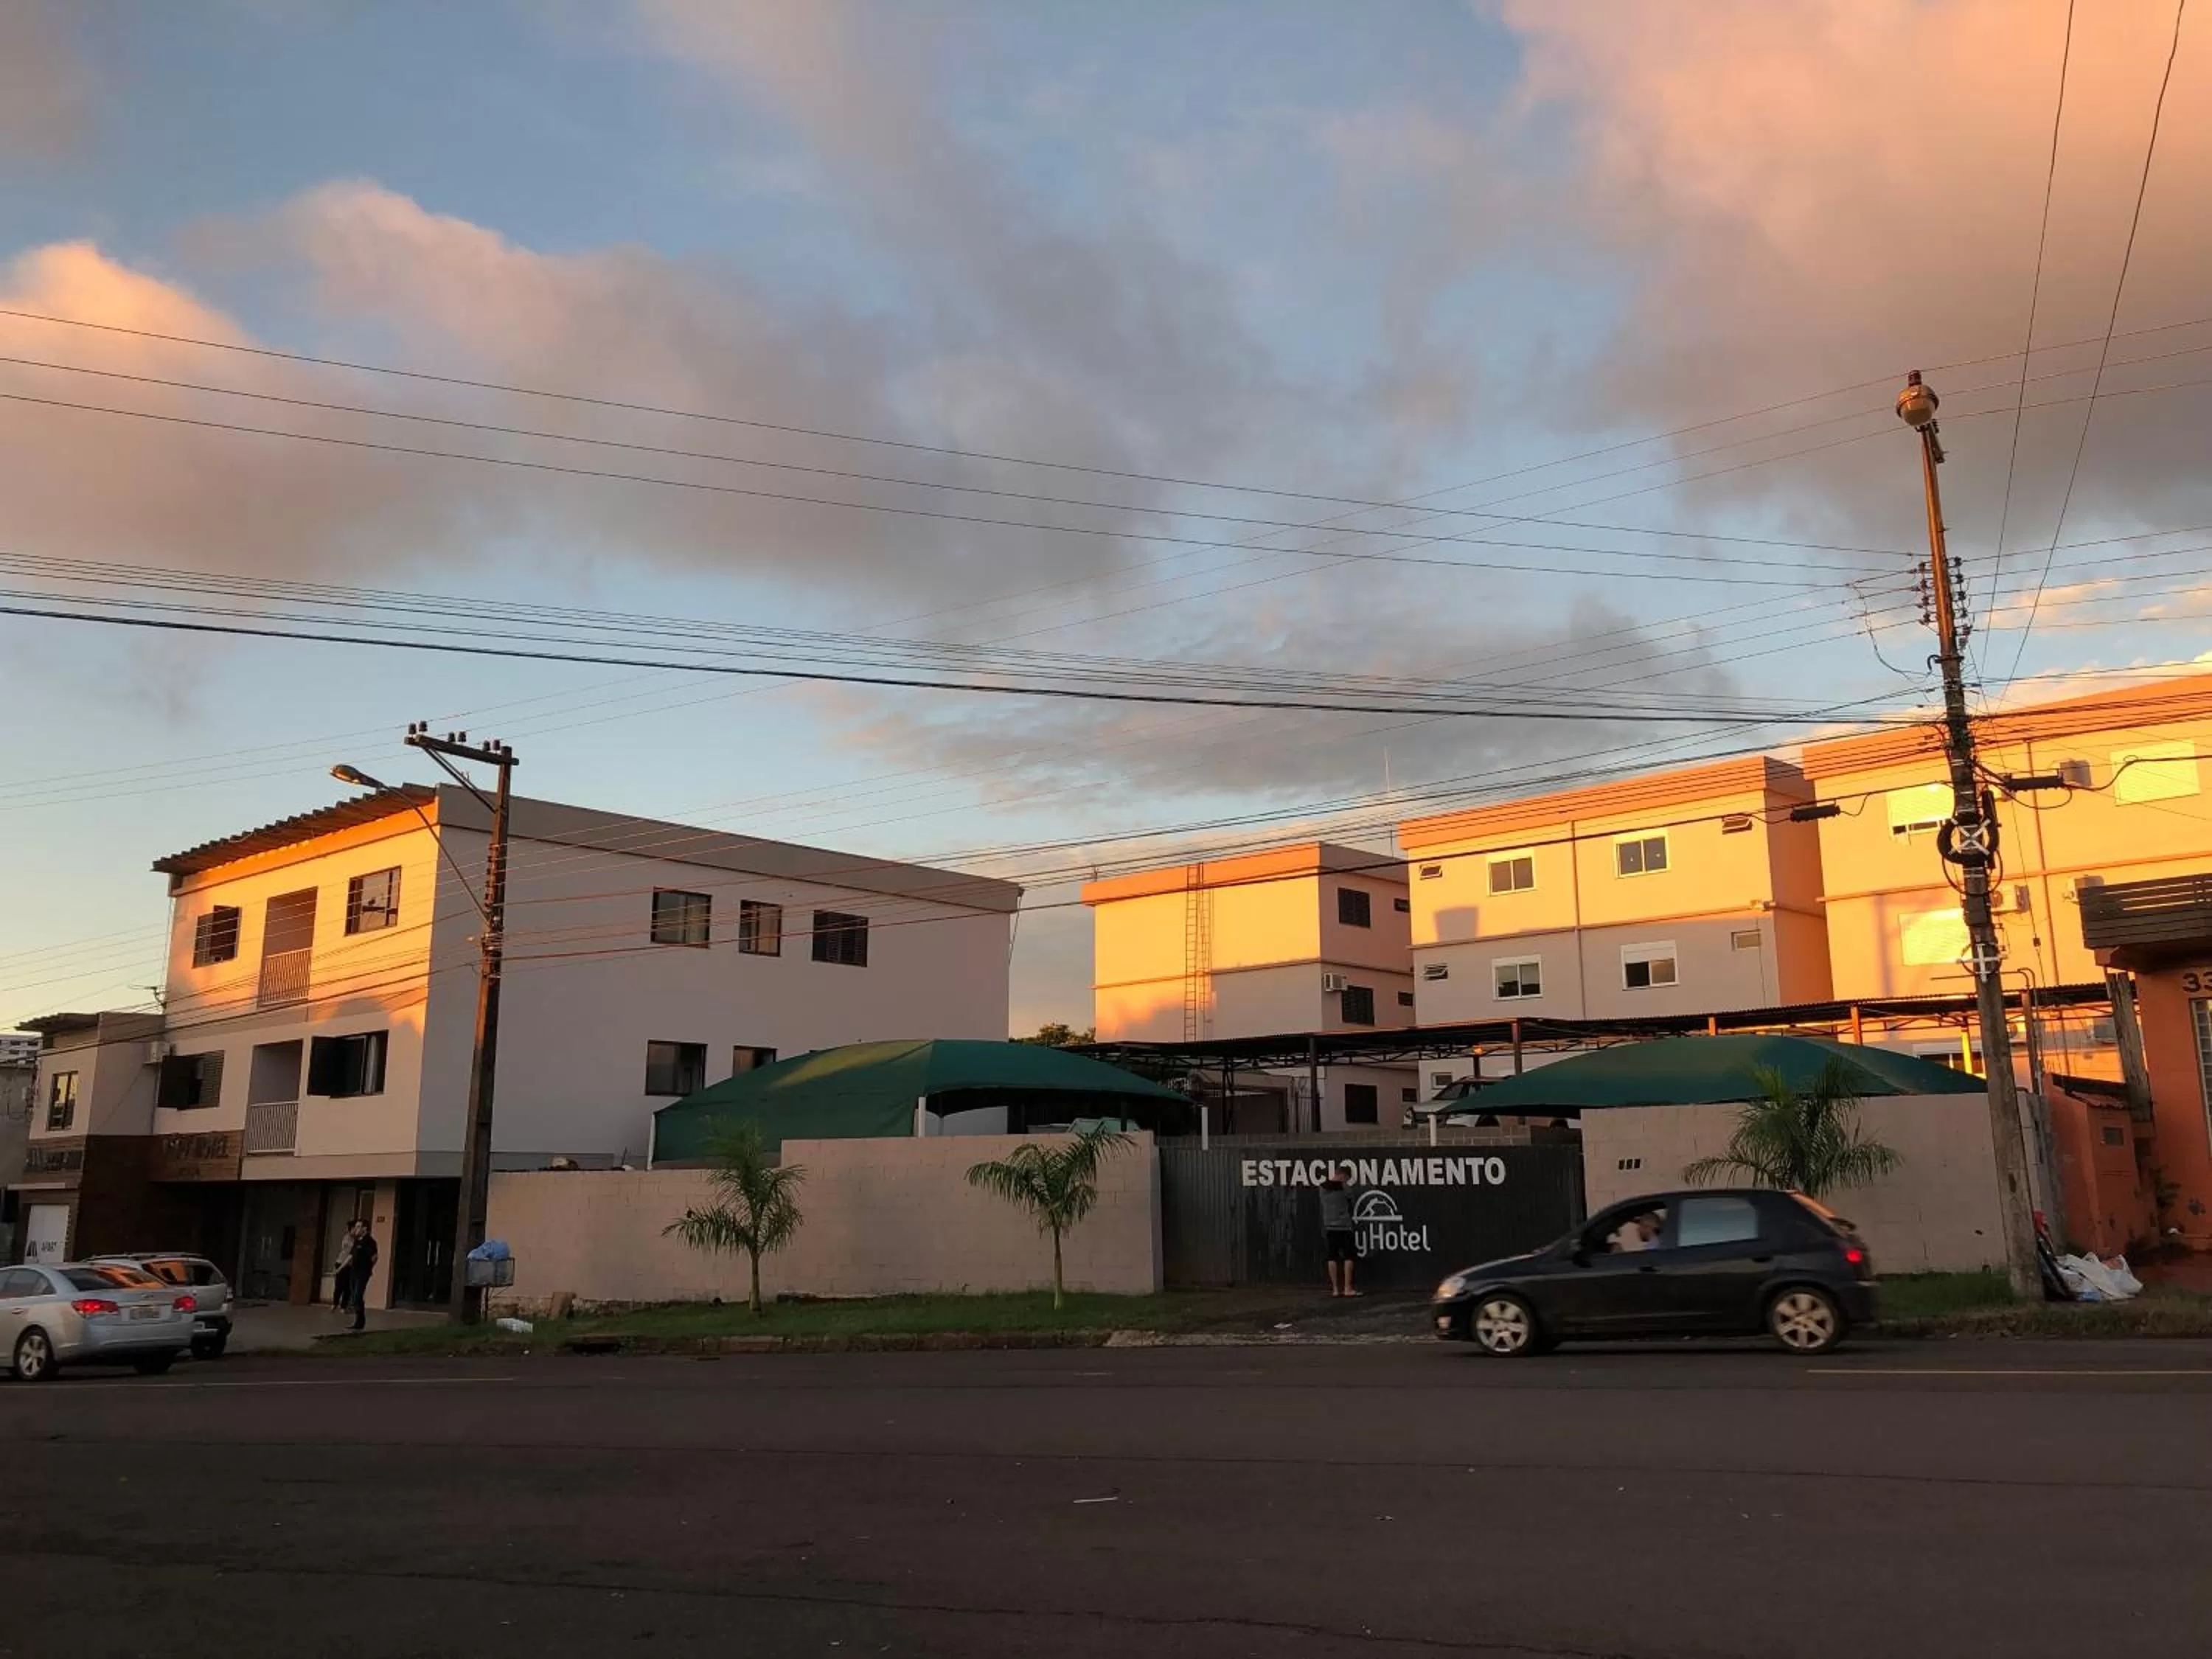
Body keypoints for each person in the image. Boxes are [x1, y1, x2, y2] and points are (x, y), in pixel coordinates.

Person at [1318, 1166, 1359, 1297]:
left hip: (1329, 1226)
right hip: (1345, 1226)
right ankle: (1347, 1288)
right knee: (1349, 1256)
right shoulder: (1345, 1188)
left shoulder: (1322, 1187)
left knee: (1332, 1257)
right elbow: (1351, 1203)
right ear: (1344, 1176)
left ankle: (1335, 1289)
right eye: (1347, 1179)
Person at [341, 1218, 378, 1332]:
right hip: (354, 1272)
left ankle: (360, 1320)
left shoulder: (370, 1242)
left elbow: (375, 1257)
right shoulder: (357, 1241)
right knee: (355, 1296)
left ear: (364, 1228)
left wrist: (369, 1268)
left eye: (358, 1227)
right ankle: (358, 1322)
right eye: (356, 1227)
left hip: (362, 1273)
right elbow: (351, 1256)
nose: (356, 1229)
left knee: (357, 1295)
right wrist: (340, 1268)